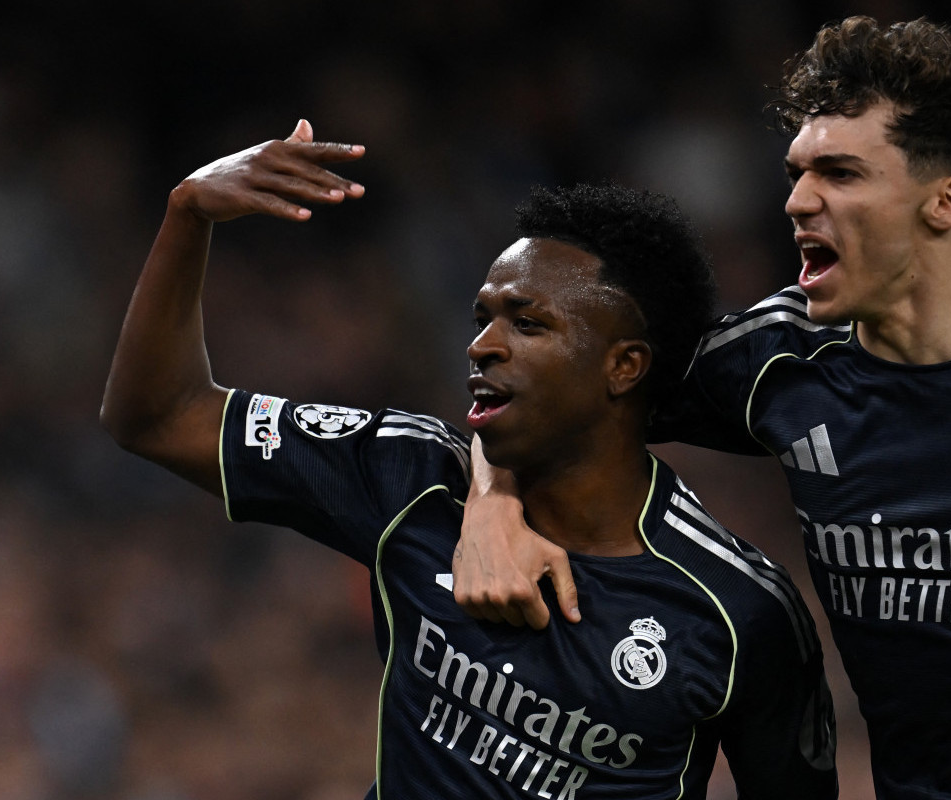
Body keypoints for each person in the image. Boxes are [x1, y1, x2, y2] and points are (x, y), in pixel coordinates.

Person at [99, 122, 838, 798]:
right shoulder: (414, 481)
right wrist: (188, 214)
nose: (483, 344)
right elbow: (157, 416)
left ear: (624, 366)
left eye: (528, 323)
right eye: (483, 316)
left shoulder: (741, 614)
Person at [453, 15, 951, 800]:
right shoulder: (778, 361)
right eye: (797, 172)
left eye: (841, 174)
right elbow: (540, 394)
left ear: (947, 201)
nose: (797, 200)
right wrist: (491, 504)